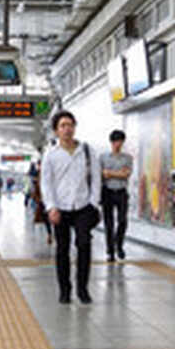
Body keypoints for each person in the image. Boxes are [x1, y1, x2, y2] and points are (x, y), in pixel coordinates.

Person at [42, 110, 101, 304]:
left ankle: (82, 288)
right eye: (63, 126)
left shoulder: (86, 150)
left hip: (83, 206)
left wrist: (93, 203)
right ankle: (64, 290)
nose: (67, 129)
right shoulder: (51, 154)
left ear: (75, 127)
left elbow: (96, 179)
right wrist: (51, 207)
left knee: (84, 245)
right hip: (60, 208)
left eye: (70, 125)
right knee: (62, 250)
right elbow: (46, 183)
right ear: (56, 131)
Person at [99, 129, 133, 262]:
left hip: (122, 192)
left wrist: (110, 173)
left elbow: (126, 174)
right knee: (109, 223)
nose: (117, 144)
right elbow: (101, 174)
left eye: (120, 141)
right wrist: (118, 173)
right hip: (107, 192)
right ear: (111, 142)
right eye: (115, 141)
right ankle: (110, 251)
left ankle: (119, 245)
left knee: (122, 221)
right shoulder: (103, 157)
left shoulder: (127, 158)